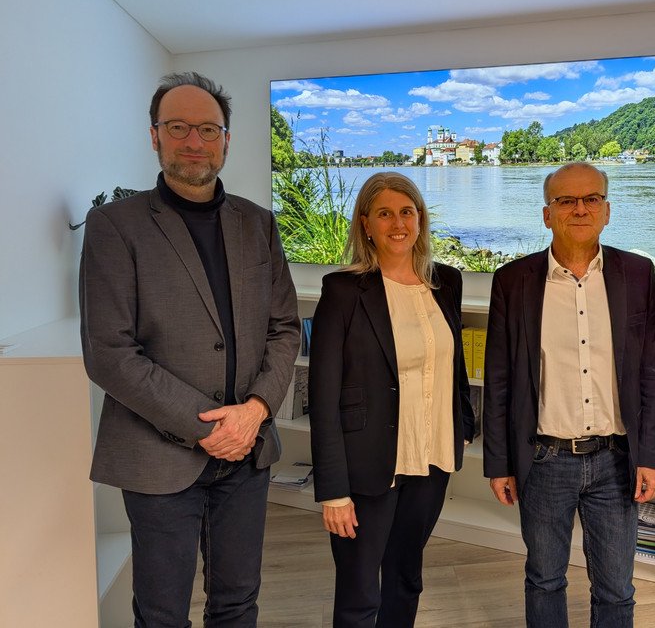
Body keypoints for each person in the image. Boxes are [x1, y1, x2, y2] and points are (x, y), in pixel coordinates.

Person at [79, 72, 300, 626]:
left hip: (248, 452)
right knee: (161, 612)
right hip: (159, 457)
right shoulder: (114, 226)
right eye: (178, 127)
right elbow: (110, 352)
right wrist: (210, 428)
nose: (194, 142)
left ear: (227, 139)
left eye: (208, 129)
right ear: (154, 136)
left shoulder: (258, 224)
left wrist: (253, 414)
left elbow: (285, 329)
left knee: (237, 602)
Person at [483, 162, 655, 627]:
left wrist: (651, 456)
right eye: (566, 200)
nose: (579, 209)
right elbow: (500, 378)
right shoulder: (513, 281)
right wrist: (499, 462)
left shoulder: (638, 274)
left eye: (591, 199)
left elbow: (651, 371)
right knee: (544, 579)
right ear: (547, 215)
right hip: (543, 461)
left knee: (616, 589)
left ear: (608, 210)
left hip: (615, 460)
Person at [308, 172, 475, 628]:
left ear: (420, 219)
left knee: (406, 578)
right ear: (366, 223)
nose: (397, 223)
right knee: (361, 592)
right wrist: (334, 491)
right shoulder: (342, 292)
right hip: (368, 468)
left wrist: (463, 425)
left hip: (433, 461)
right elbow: (322, 397)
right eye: (384, 213)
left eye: (407, 211)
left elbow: (453, 364)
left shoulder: (447, 282)